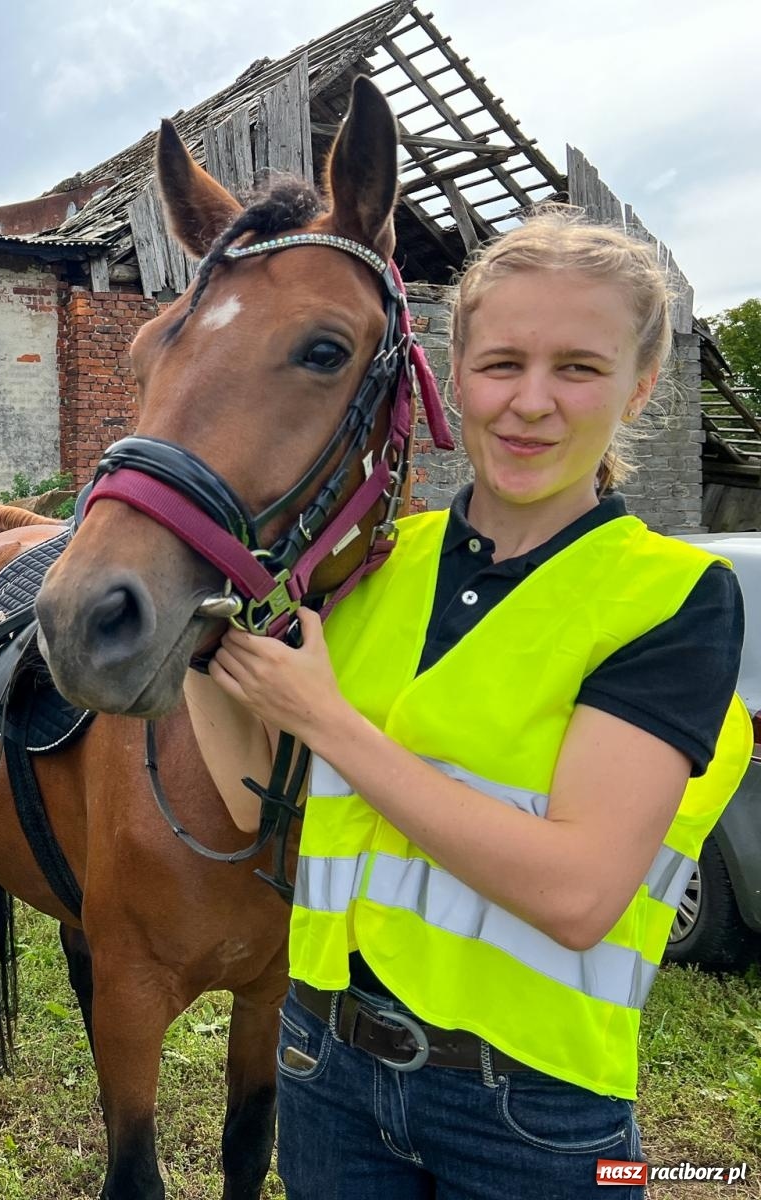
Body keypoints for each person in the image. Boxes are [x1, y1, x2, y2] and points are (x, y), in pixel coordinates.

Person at [184, 208, 751, 1199]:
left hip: (531, 1110)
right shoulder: (375, 569)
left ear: (639, 388)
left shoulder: (669, 599)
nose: (530, 402)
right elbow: (252, 806)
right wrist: (191, 643)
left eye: (577, 368)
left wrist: (329, 724)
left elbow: (577, 895)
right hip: (326, 1066)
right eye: (501, 365)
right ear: (455, 375)